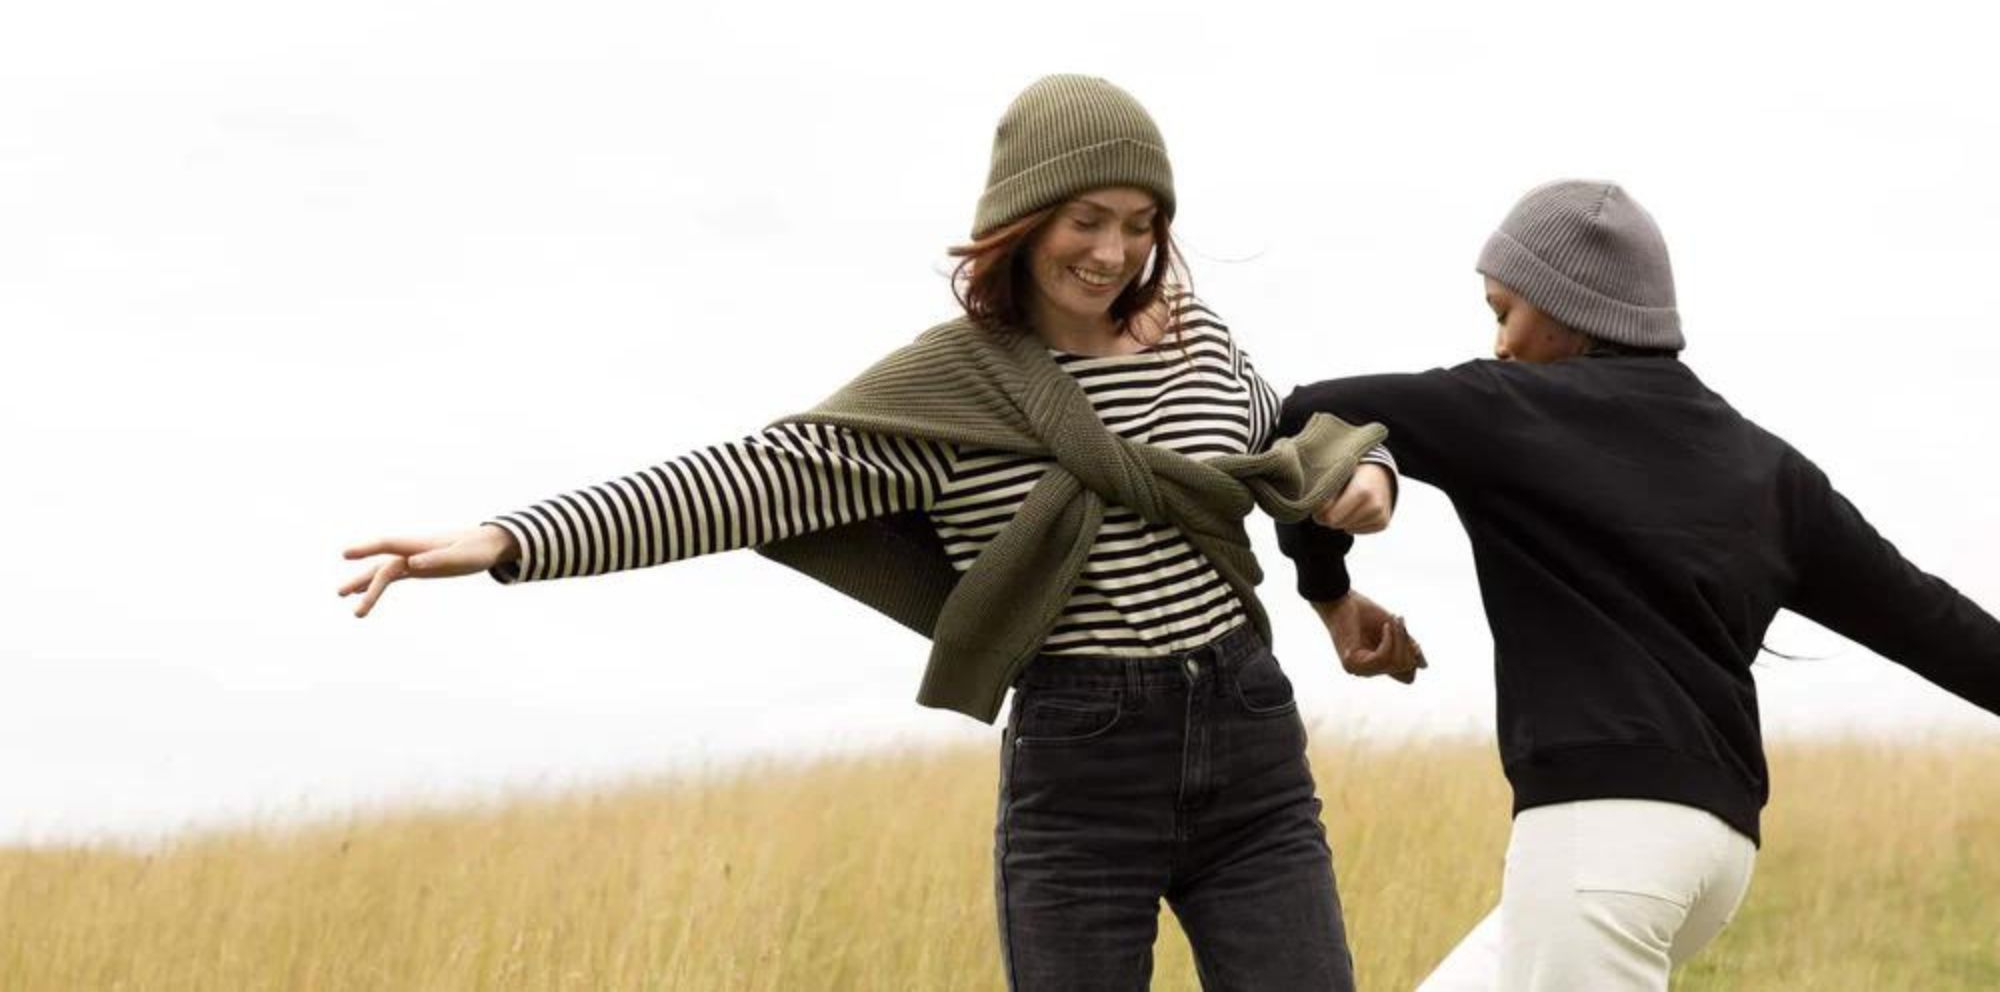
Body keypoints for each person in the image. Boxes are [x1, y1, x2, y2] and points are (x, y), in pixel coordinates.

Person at [339, 74, 1415, 990]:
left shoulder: (1194, 337)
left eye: (1139, 223)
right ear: (1025, 215)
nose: (1111, 250)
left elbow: (1286, 444)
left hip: (1246, 732)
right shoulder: (951, 386)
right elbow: (743, 481)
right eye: (1086, 218)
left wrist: (1363, 477)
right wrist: (509, 538)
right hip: (1083, 766)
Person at [1272, 179, 2000, 991]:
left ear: (1565, 309)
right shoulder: (1769, 469)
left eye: (1503, 310)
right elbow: (1931, 622)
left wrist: (1328, 590)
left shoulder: (1505, 408)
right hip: (1711, 850)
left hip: (1600, 844)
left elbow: (1298, 417)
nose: (1501, 341)